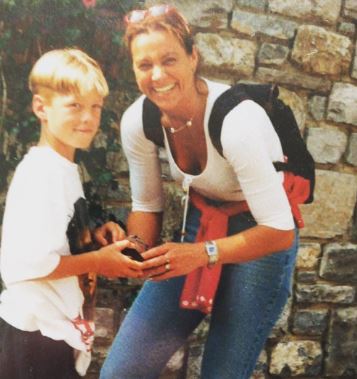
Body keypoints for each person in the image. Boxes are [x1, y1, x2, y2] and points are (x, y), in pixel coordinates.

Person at [100, 5, 302, 379]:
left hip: (262, 233)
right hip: (202, 225)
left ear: (193, 58)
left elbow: (280, 230)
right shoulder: (138, 120)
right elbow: (146, 205)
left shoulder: (236, 122)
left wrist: (201, 254)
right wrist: (132, 251)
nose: (157, 76)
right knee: (120, 372)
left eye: (169, 60)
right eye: (144, 65)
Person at [0, 48, 145, 379]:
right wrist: (99, 261)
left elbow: (53, 236)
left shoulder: (62, 167)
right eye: (75, 106)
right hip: (35, 335)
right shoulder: (42, 173)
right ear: (42, 108)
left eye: (95, 107)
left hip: (51, 332)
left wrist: (92, 237)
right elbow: (29, 265)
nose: (88, 118)